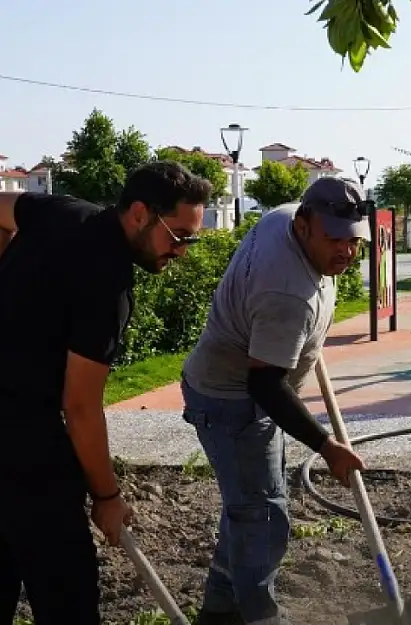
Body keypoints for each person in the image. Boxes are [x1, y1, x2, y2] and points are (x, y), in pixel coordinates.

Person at [0, 161, 213, 624]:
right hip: (25, 446)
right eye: (178, 236)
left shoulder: (62, 210)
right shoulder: (107, 284)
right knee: (67, 597)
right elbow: (79, 408)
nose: (183, 252)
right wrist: (107, 496)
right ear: (140, 213)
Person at [180, 177, 370, 625]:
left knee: (245, 507)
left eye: (353, 242)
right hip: (235, 401)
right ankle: (261, 617)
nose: (345, 251)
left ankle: (220, 611)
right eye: (334, 240)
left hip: (240, 388)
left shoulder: (285, 216)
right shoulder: (287, 295)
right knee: (262, 518)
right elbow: (265, 386)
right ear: (304, 226)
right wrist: (327, 447)